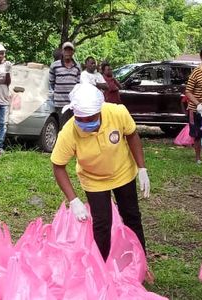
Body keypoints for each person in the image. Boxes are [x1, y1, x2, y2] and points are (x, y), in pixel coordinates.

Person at [51, 83, 153, 281]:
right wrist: (73, 200)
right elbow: (58, 166)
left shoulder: (117, 113)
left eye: (91, 118)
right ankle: (99, 271)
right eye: (82, 119)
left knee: (132, 217)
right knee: (101, 225)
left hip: (123, 172)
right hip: (94, 180)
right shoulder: (69, 132)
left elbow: (132, 134)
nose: (87, 122)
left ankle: (140, 265)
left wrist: (142, 168)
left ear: (100, 110)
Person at [49, 42, 81, 128]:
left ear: (73, 52)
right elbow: (52, 82)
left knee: (74, 126)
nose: (67, 52)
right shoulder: (55, 66)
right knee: (62, 127)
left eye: (70, 50)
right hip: (60, 103)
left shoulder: (77, 66)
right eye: (65, 50)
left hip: (74, 103)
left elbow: (78, 84)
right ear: (62, 52)